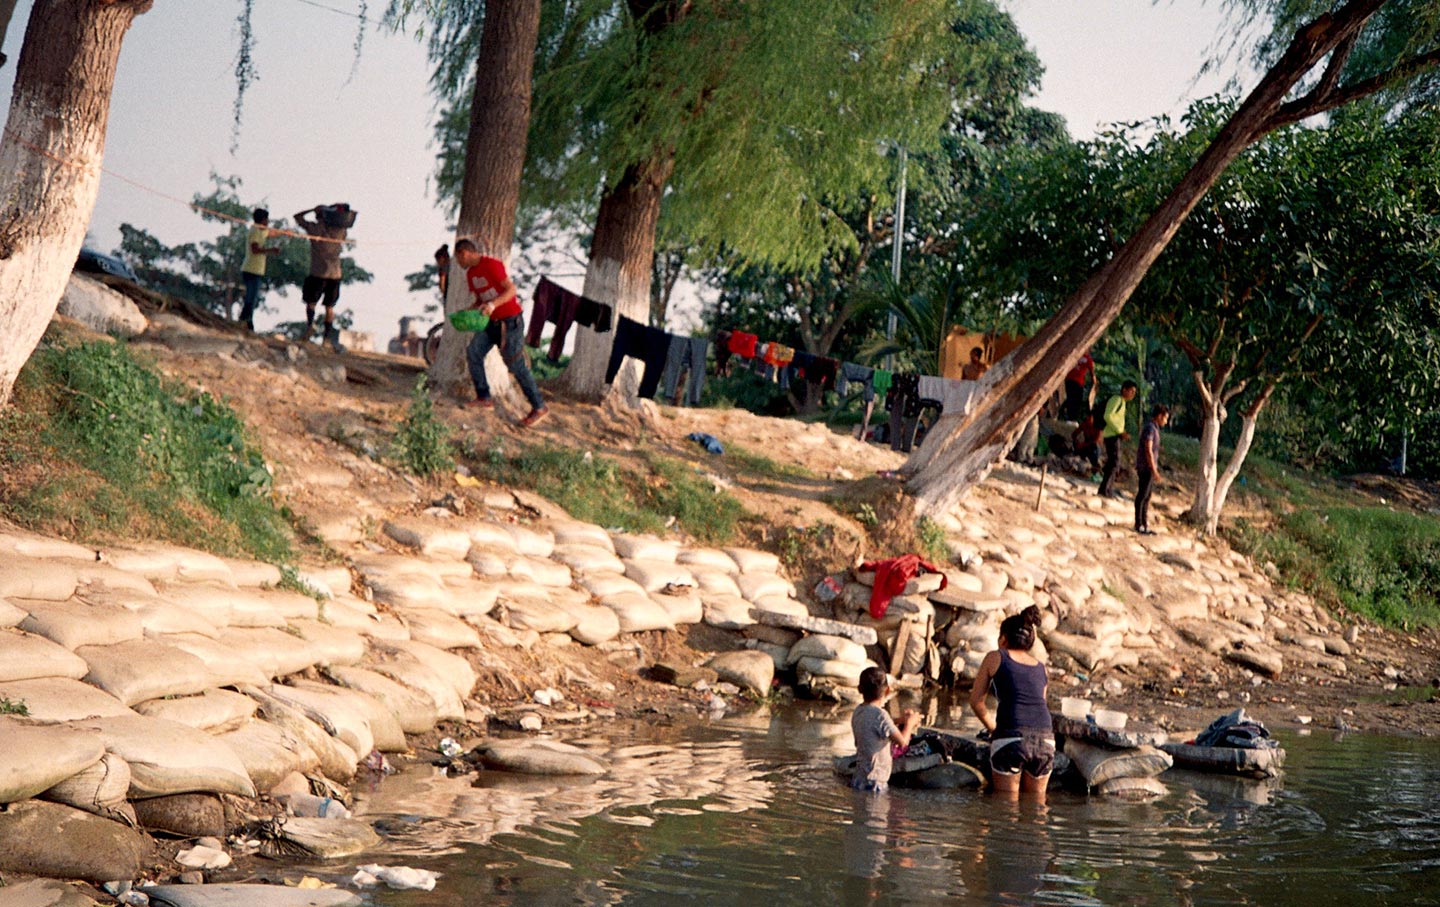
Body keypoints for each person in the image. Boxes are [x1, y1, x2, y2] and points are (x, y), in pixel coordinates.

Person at [453, 238, 548, 427]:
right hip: (491, 324)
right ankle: (483, 397)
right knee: (474, 352)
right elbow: (481, 300)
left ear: (464, 253)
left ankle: (539, 406)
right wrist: (469, 311)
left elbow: (511, 290)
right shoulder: (471, 274)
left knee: (516, 366)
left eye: (458, 259)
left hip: (510, 322)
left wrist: (492, 305)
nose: (458, 263)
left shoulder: (491, 265)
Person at [969, 605, 1053, 798]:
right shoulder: (1042, 668)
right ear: (1030, 643)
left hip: (1011, 737)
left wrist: (993, 729)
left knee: (1006, 805)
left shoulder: (995, 657)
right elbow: (1040, 704)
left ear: (1003, 639)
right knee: (1037, 805)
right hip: (1046, 739)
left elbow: (976, 701)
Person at [850, 666, 922, 792]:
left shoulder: (859, 711)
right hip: (875, 782)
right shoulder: (881, 715)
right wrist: (910, 723)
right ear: (888, 691)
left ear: (859, 689)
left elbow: (876, 725)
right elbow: (902, 742)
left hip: (858, 779)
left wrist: (901, 721)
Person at [294, 204, 349, 351]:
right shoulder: (341, 231)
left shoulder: (314, 229)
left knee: (311, 303)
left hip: (318, 273)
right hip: (335, 274)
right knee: (329, 307)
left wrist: (312, 209)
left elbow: (297, 217)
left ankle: (310, 326)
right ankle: (326, 338)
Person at [239, 208, 282, 332]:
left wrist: (284, 232)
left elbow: (271, 233)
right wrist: (271, 250)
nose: (268, 222)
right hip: (251, 269)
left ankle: (246, 320)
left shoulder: (261, 231)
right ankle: (246, 321)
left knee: (252, 297)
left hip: (256, 270)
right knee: (251, 298)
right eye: (267, 219)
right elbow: (255, 249)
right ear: (263, 220)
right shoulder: (255, 231)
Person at [1097, 380, 1136, 498]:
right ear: (1124, 389)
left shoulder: (1122, 403)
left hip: (1115, 435)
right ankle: (1104, 489)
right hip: (1111, 435)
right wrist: (1120, 431)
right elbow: (1108, 416)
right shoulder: (1117, 400)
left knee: (1114, 463)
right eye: (1131, 391)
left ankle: (1107, 488)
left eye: (1134, 392)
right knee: (1114, 462)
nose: (1132, 395)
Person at [1135, 404, 1169, 535]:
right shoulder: (1150, 428)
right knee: (1142, 495)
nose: (1166, 421)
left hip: (1148, 466)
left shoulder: (1154, 428)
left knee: (1147, 496)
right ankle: (1139, 524)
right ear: (1159, 416)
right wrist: (1154, 470)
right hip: (1146, 467)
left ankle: (1144, 524)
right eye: (1165, 418)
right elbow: (1148, 450)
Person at [1063, 349, 1095, 420]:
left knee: (1070, 398)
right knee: (1077, 401)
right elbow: (1092, 374)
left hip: (1069, 380)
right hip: (1078, 382)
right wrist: (1094, 383)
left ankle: (1066, 415)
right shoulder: (1088, 360)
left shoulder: (1074, 356)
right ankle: (1072, 418)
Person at [1071, 409, 1103, 475]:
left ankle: (1095, 465)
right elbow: (1074, 434)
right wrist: (1076, 441)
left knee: (1094, 448)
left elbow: (1095, 441)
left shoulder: (1098, 427)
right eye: (1087, 417)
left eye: (1090, 418)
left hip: (1094, 447)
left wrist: (1082, 445)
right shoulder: (1084, 425)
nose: (1088, 419)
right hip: (1086, 446)